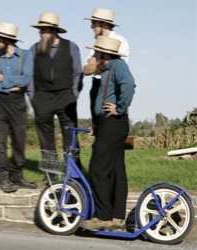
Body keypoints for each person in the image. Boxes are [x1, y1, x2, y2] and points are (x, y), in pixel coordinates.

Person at [81, 36, 135, 231]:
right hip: (107, 123)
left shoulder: (118, 66)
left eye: (96, 52)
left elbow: (129, 85)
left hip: (114, 122)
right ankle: (117, 218)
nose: (93, 55)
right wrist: (97, 124)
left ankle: (103, 216)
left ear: (104, 54)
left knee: (97, 168)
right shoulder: (106, 70)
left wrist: (119, 108)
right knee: (115, 170)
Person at [0, 22, 37, 193]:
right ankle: (2, 178)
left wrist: (5, 80)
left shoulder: (26, 55)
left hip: (17, 102)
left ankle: (17, 175)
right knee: (0, 142)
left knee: (19, 140)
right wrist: (12, 84)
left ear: (7, 39)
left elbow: (26, 79)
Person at [29, 12, 84, 167]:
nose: (41, 33)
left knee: (70, 134)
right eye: (40, 30)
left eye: (44, 30)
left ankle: (72, 171)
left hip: (66, 96)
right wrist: (33, 97)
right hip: (42, 97)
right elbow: (29, 76)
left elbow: (78, 71)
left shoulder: (71, 47)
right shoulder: (33, 49)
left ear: (54, 31)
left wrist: (74, 93)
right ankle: (51, 171)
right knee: (45, 138)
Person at [83, 8, 130, 121]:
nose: (91, 27)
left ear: (104, 24)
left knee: (109, 124)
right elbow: (85, 70)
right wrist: (99, 65)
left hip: (111, 88)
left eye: (94, 23)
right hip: (96, 86)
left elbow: (113, 67)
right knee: (98, 127)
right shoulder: (97, 44)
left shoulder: (120, 41)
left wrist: (96, 63)